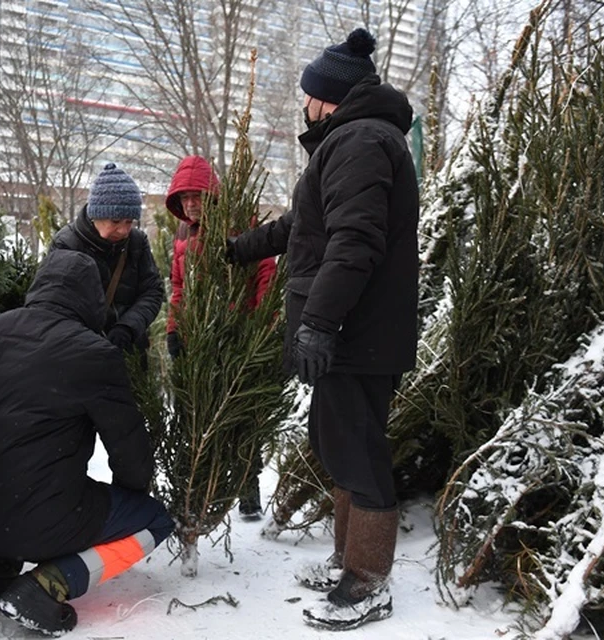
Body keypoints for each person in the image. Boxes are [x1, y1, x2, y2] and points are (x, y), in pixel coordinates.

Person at [225, 28, 419, 631]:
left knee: (359, 453)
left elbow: (354, 242)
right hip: (349, 335)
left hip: (353, 335)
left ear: (324, 97)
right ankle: (346, 559)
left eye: (307, 94)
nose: (302, 104)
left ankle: (369, 579)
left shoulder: (360, 141)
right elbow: (304, 225)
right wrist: (242, 247)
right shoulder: (350, 142)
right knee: (341, 445)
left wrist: (318, 323)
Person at [0, 249, 174, 636]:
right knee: (155, 521)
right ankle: (48, 586)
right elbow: (127, 446)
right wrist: (130, 499)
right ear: (93, 299)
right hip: (35, 519)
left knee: (19, 489)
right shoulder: (92, 353)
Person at [164, 154, 277, 520]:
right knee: (202, 414)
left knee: (242, 414)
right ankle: (204, 490)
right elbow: (179, 287)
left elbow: (265, 273)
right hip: (200, 339)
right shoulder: (184, 235)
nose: (191, 205)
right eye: (184, 199)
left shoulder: (239, 225)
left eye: (197, 196)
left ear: (212, 195)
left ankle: (248, 490)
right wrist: (174, 329)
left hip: (237, 334)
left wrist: (261, 321)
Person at [49, 162, 164, 360]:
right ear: (96, 215)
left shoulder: (137, 242)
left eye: (130, 222)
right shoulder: (66, 244)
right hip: (79, 356)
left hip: (129, 352)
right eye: (116, 221)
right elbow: (53, 306)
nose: (124, 230)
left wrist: (128, 327)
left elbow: (152, 291)